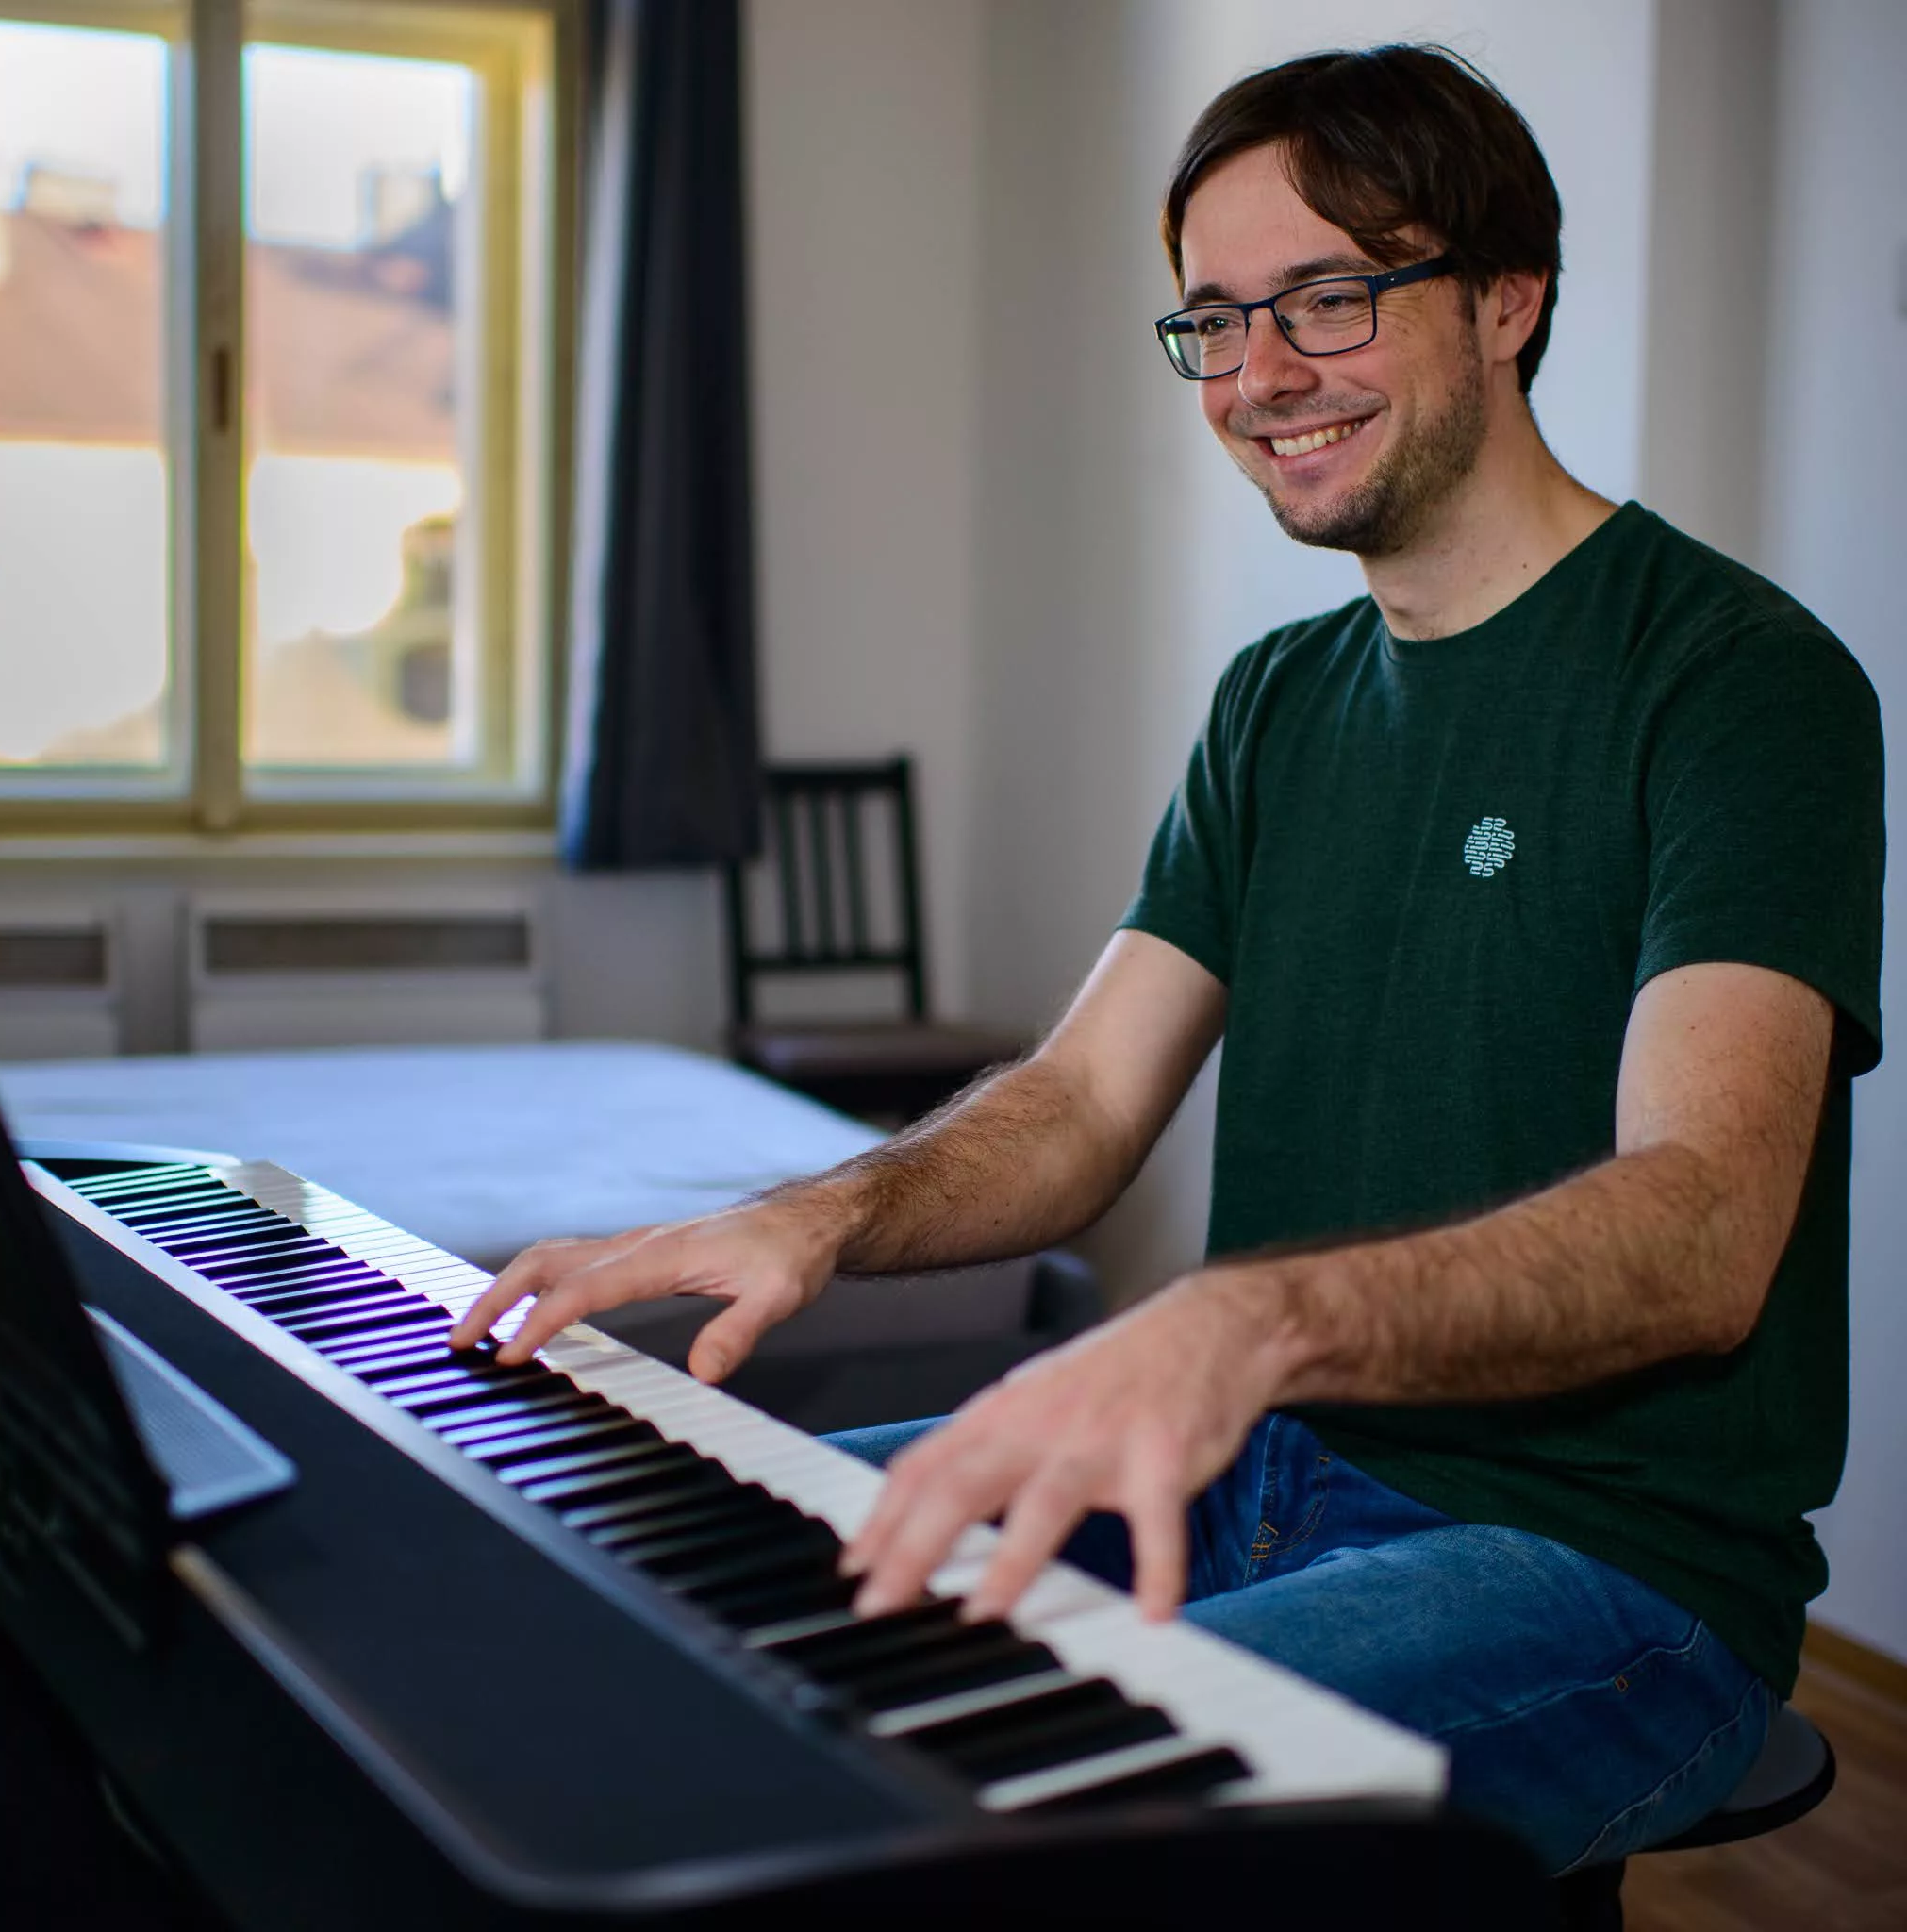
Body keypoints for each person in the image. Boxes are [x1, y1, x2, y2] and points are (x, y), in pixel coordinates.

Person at [453, 44, 1884, 1875]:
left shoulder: (1732, 682)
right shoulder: (1277, 703)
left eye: (1329, 298)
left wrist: (1246, 1313)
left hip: (1599, 1561)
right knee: (657, 1605)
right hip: (1247, 1469)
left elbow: (1698, 1228)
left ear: (1506, 302)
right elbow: (1075, 1101)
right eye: (1211, 320)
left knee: (998, 1812)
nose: (1258, 376)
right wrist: (820, 1212)